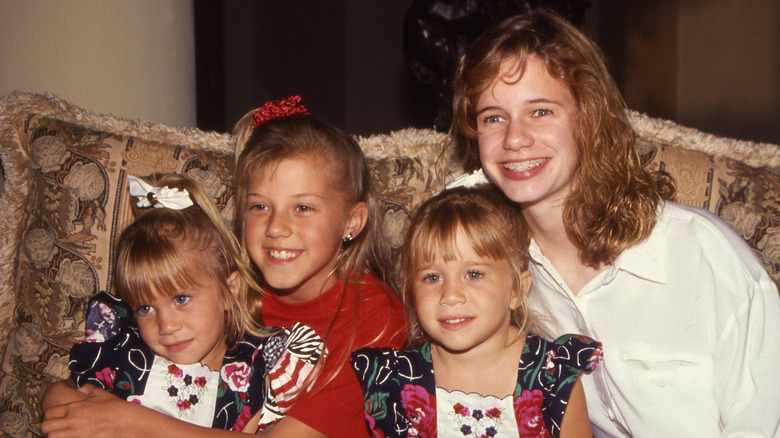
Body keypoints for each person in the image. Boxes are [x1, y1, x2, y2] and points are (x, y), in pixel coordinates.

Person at [449, 9, 780, 437]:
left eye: (541, 111)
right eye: (493, 117)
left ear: (588, 116)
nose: (514, 139)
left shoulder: (701, 255)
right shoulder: (492, 272)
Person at [41, 97, 407, 437]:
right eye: (259, 207)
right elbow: (88, 383)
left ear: (352, 222)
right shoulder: (230, 289)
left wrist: (131, 422)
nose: (276, 228)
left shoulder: (374, 316)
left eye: (303, 207)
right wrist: (66, 402)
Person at [41, 174, 323, 433]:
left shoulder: (252, 371)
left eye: (181, 299)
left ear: (228, 292)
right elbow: (57, 396)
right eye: (146, 308)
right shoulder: (125, 351)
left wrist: (128, 423)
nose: (166, 325)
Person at [351, 186, 602, 438]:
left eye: (473, 274)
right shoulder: (394, 380)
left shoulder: (552, 376)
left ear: (516, 290)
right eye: (432, 277)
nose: (450, 295)